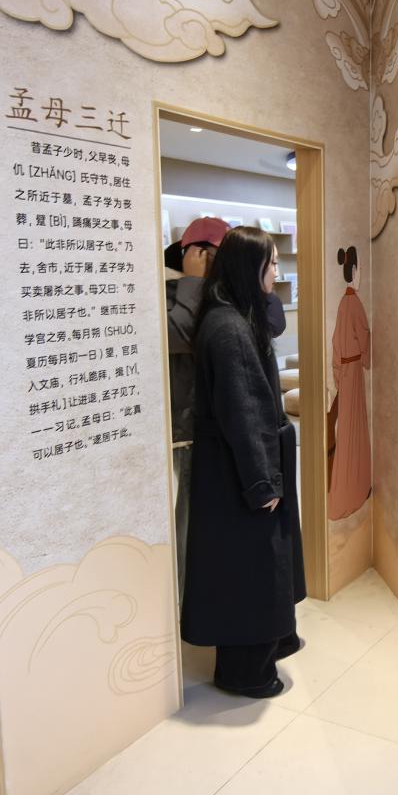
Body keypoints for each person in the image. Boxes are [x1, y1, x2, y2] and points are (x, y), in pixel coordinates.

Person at [180, 227, 305, 699]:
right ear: (250, 267)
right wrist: (262, 483)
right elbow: (244, 412)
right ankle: (245, 672)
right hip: (238, 473)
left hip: (235, 467)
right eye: (271, 264)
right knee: (250, 571)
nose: (276, 271)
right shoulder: (229, 328)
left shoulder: (231, 314)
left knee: (256, 566)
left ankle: (270, 646)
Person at [165, 217, 230, 602]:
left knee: (213, 513)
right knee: (190, 516)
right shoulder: (168, 288)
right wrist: (192, 281)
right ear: (191, 253)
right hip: (187, 426)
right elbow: (177, 335)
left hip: (220, 421)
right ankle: (187, 599)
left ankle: (210, 590)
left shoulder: (219, 291)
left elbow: (271, 321)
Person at [327, 245, 371, 520]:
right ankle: (353, 489)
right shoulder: (354, 303)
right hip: (353, 369)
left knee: (347, 427)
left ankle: (351, 487)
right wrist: (366, 359)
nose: (361, 275)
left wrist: (337, 373)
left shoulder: (344, 302)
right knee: (355, 426)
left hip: (345, 370)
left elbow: (335, 343)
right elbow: (364, 333)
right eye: (360, 270)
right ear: (353, 271)